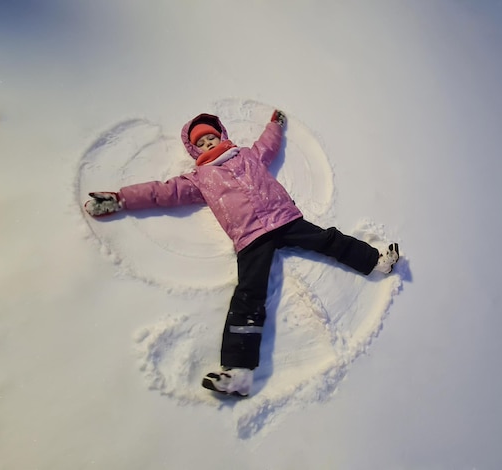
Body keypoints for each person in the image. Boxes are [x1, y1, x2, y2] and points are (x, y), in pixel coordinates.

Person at [84, 109, 399, 397]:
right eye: (201, 142)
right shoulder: (198, 178)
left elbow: (269, 145)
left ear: (221, 136)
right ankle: (238, 372)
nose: (208, 143)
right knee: (249, 295)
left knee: (329, 240)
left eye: (211, 137)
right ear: (194, 150)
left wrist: (274, 125)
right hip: (250, 237)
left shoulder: (247, 155)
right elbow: (162, 192)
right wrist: (121, 199)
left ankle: (376, 262)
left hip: (285, 219)